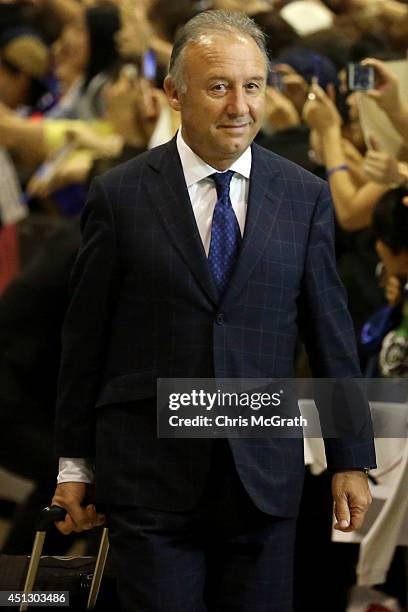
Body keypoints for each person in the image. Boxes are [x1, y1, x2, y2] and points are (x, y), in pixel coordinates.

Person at [52, 10, 376, 611]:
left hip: (263, 480)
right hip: (149, 478)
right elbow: (84, 338)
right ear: (175, 92)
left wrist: (351, 459)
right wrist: (74, 463)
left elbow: (331, 333)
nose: (239, 106)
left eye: (253, 86)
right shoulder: (119, 195)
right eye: (219, 86)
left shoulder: (303, 195)